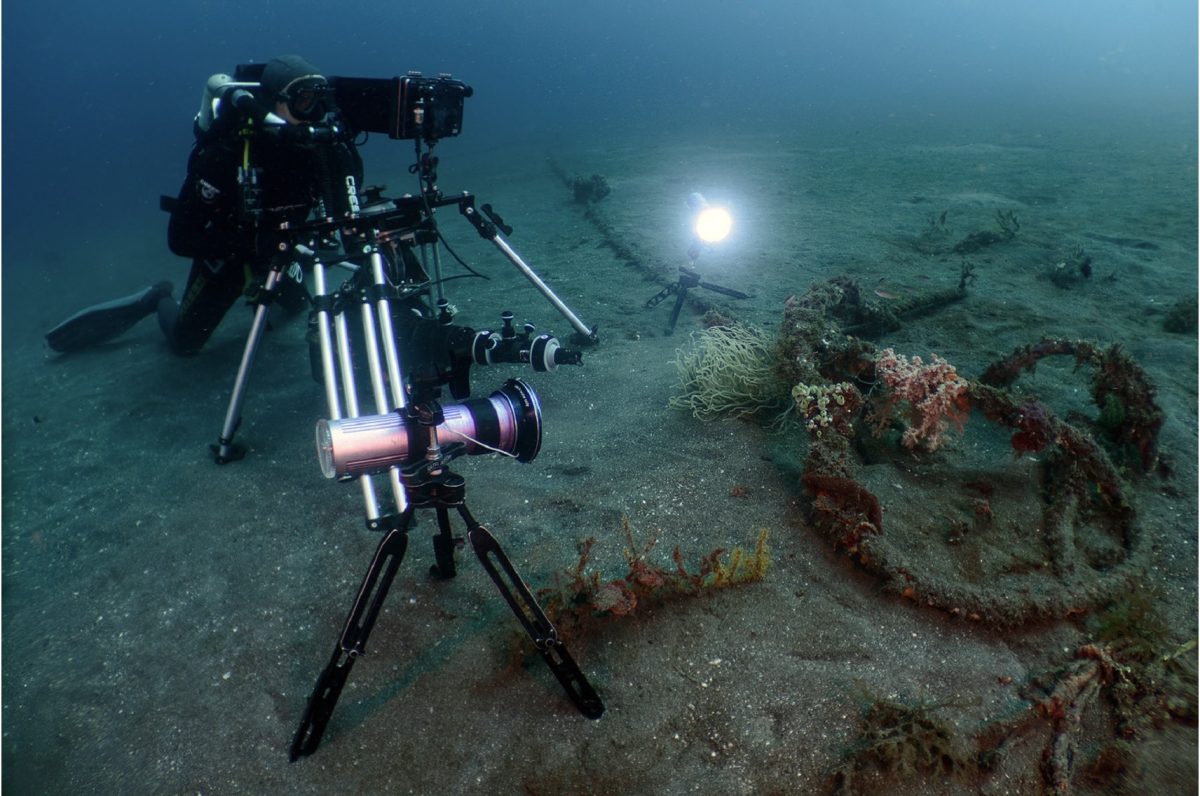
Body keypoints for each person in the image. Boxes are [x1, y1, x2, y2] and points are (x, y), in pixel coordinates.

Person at [46, 55, 362, 355]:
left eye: (320, 102)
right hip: (228, 259)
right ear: (272, 102)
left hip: (279, 252)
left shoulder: (323, 152)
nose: (315, 115)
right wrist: (251, 245)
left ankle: (263, 282)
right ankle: (157, 298)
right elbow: (181, 238)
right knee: (185, 344)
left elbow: (345, 207)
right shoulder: (226, 154)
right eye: (304, 101)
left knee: (297, 306)